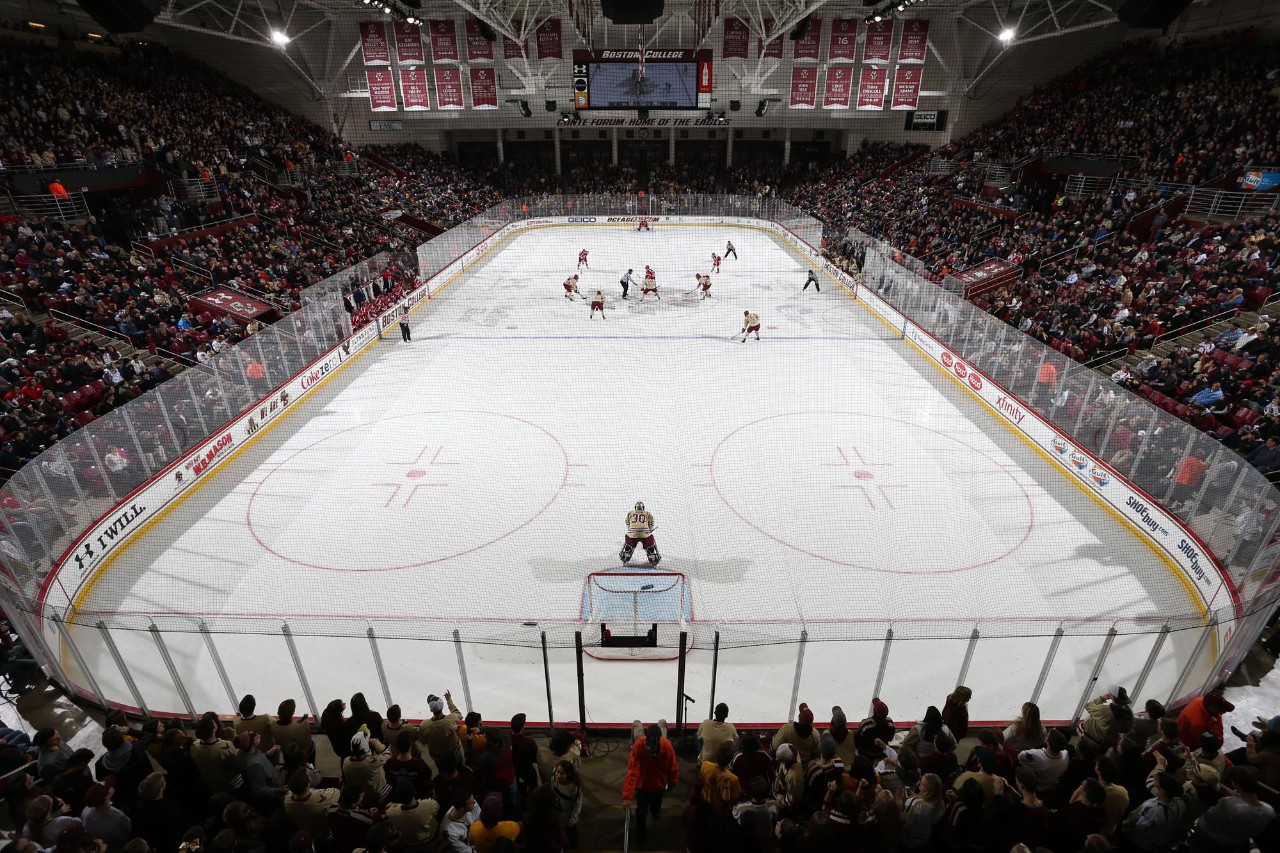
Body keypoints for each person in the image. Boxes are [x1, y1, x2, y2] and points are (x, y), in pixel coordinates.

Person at [1191, 766, 1275, 852]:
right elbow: (1245, 804)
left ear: (1236, 785)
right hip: (1235, 843)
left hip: (1209, 840)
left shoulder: (1228, 804)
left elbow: (1205, 814)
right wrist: (1226, 790)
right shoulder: (1269, 810)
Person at [621, 724, 679, 846]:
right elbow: (632, 772)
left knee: (655, 806)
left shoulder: (667, 747)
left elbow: (673, 768)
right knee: (641, 813)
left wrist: (673, 782)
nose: (650, 751)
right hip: (643, 786)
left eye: (652, 749)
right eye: (648, 748)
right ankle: (640, 836)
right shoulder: (638, 747)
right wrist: (627, 797)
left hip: (658, 786)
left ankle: (655, 812)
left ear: (659, 741)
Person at [1118, 771, 1185, 851]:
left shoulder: (1151, 808)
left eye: (1156, 780)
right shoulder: (1180, 803)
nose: (1154, 779)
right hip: (1157, 842)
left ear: (1163, 789)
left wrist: (1123, 827)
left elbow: (1136, 827)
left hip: (1139, 842)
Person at [620, 501, 660, 566]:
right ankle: (652, 555)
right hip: (645, 535)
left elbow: (627, 522)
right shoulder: (647, 513)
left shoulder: (630, 513)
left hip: (632, 535)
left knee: (629, 540)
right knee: (650, 540)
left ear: (635, 507)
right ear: (643, 508)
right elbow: (651, 522)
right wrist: (649, 530)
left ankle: (626, 553)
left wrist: (630, 529)